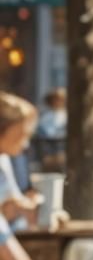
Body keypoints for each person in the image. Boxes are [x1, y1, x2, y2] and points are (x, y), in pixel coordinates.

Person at [0, 93, 40, 230]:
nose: (25, 141)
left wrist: (29, 205)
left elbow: (11, 204)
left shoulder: (4, 159)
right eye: (21, 132)